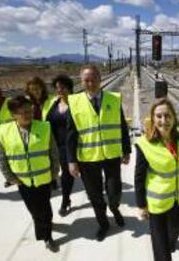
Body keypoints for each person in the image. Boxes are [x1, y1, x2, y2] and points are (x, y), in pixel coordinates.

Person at [67, 64, 131, 241]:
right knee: (94, 195)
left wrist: (126, 150)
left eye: (93, 79)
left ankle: (114, 208)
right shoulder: (75, 102)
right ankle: (103, 223)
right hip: (88, 157)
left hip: (111, 154)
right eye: (86, 80)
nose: (90, 83)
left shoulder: (113, 99)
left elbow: (122, 127)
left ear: (100, 79)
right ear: (81, 81)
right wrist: (71, 161)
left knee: (114, 191)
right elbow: (71, 135)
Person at [0, 95, 60, 252]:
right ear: (13, 114)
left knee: (45, 210)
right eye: (23, 112)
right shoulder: (4, 131)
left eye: (30, 111)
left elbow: (53, 152)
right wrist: (11, 178)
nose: (28, 114)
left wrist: (54, 173)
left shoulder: (44, 127)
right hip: (22, 181)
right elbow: (1, 158)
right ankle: (43, 226)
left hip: (43, 178)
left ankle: (47, 237)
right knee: (34, 210)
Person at [135, 98, 179, 261]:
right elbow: (139, 176)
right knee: (161, 252)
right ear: (152, 118)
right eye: (159, 116)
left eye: (167, 115)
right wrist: (142, 204)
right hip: (157, 205)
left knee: (174, 233)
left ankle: (171, 242)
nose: (163, 121)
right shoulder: (144, 144)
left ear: (174, 118)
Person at [47, 74, 75, 216]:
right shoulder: (54, 103)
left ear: (69, 88)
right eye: (57, 87)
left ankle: (66, 200)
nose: (60, 90)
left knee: (70, 174)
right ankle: (66, 199)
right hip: (57, 145)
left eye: (63, 87)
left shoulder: (76, 103)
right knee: (64, 174)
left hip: (74, 145)